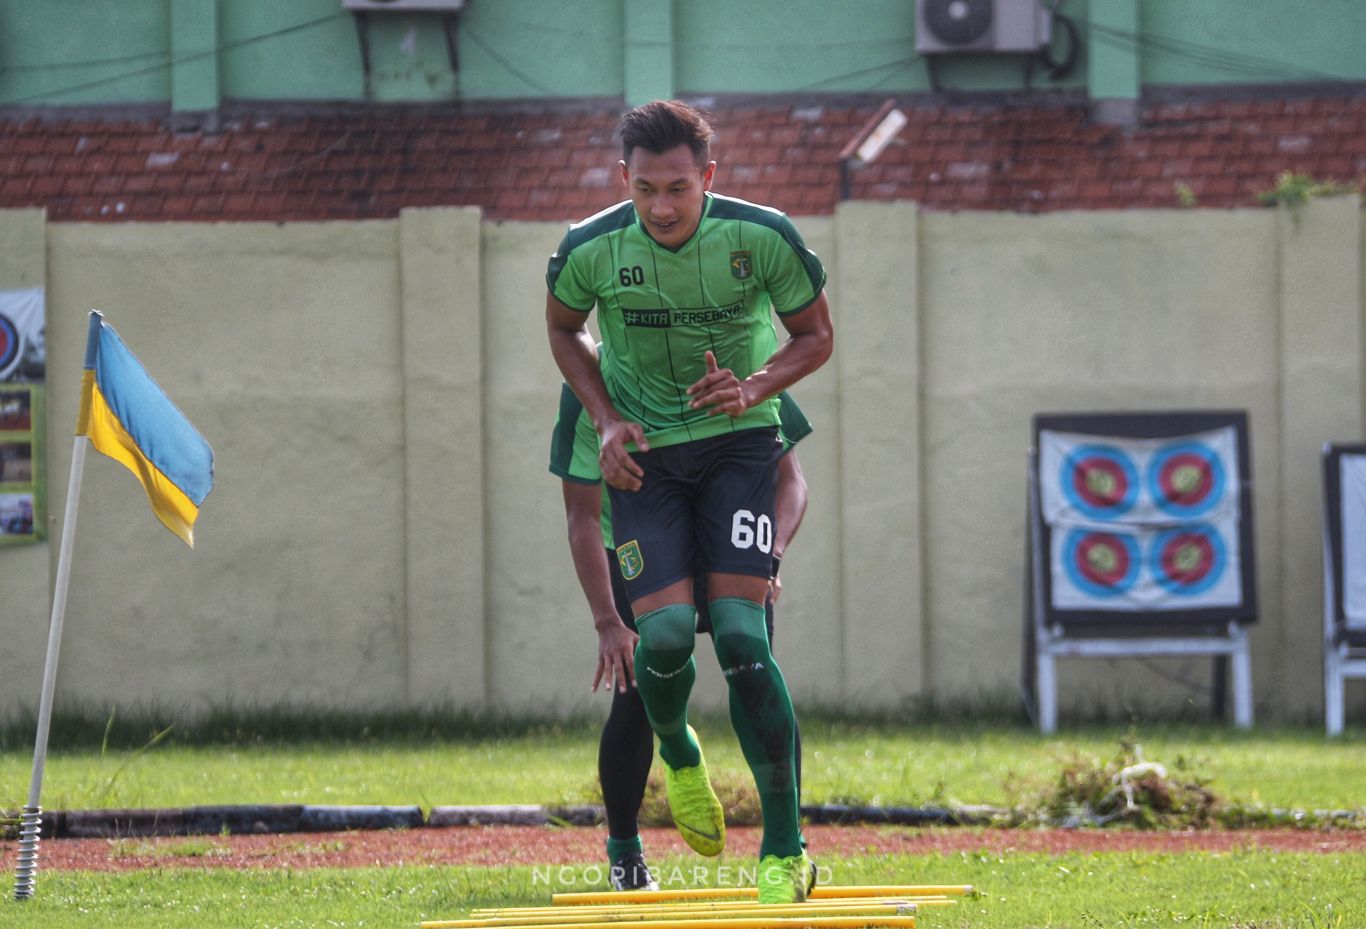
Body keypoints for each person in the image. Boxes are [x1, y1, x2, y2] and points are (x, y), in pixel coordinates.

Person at [545, 99, 834, 904]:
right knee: (664, 636)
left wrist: (756, 384)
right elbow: (564, 330)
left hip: (739, 446)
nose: (663, 208)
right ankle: (677, 749)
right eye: (646, 190)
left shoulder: (762, 236)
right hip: (649, 460)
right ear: (623, 182)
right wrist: (605, 420)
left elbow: (815, 335)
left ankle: (784, 849)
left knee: (744, 638)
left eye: (679, 187)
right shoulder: (589, 249)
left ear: (708, 177)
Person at [551, 374, 813, 890]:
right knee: (638, 692)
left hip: (725, 542)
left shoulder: (735, 355)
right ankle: (626, 850)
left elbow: (791, 480)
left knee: (756, 674)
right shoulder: (592, 382)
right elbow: (581, 513)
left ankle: (788, 845)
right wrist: (607, 620)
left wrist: (771, 554)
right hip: (639, 542)